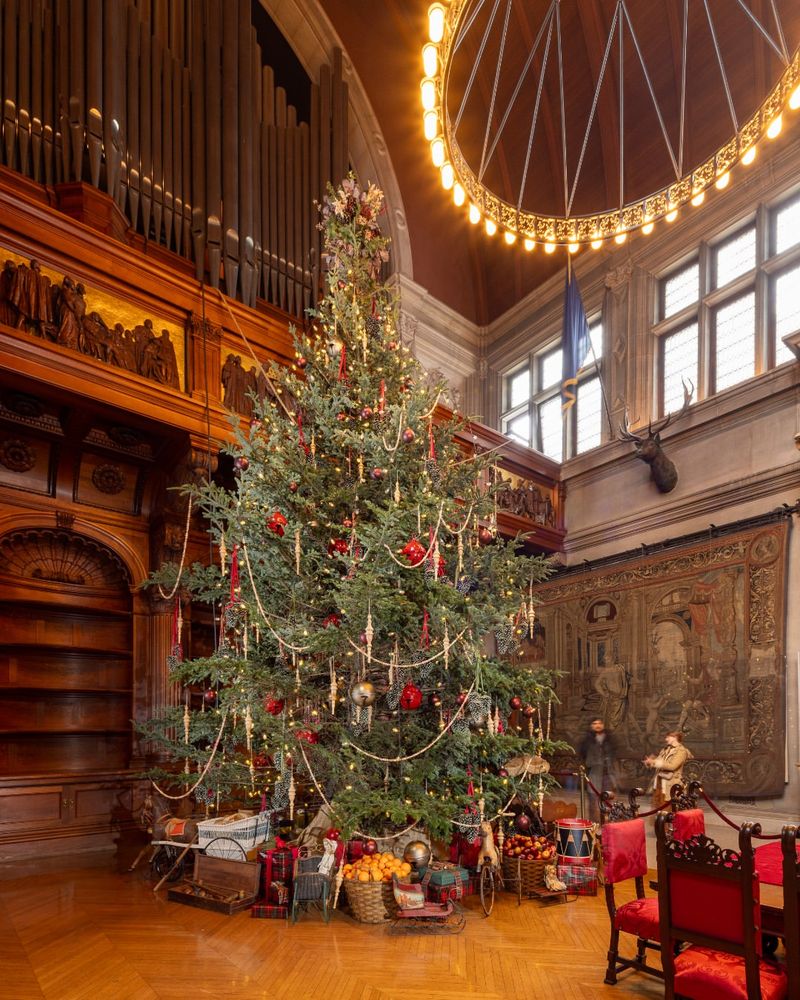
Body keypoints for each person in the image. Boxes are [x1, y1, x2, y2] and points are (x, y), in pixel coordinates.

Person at [578, 718, 617, 819]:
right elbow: (584, 756)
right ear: (591, 726)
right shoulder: (587, 741)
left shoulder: (609, 739)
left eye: (600, 723)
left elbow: (613, 755)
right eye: (595, 723)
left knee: (607, 800)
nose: (597, 725)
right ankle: (594, 823)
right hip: (594, 774)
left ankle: (605, 821)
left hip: (607, 775)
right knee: (593, 800)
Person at [643, 731, 693, 809]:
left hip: (671, 784)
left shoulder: (681, 751)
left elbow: (672, 766)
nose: (666, 739)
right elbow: (659, 761)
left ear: (675, 738)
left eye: (668, 737)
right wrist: (650, 762)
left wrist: (655, 762)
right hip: (660, 783)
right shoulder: (665, 749)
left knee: (668, 808)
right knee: (658, 809)